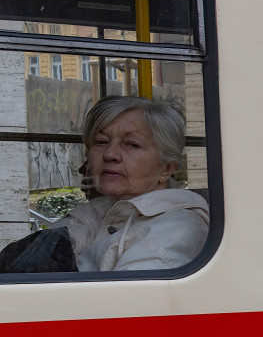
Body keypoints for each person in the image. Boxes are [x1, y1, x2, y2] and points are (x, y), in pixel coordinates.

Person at [51, 96, 209, 272]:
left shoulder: (178, 228)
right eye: (101, 142)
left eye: (132, 145)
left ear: (166, 168)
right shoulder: (91, 214)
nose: (110, 154)